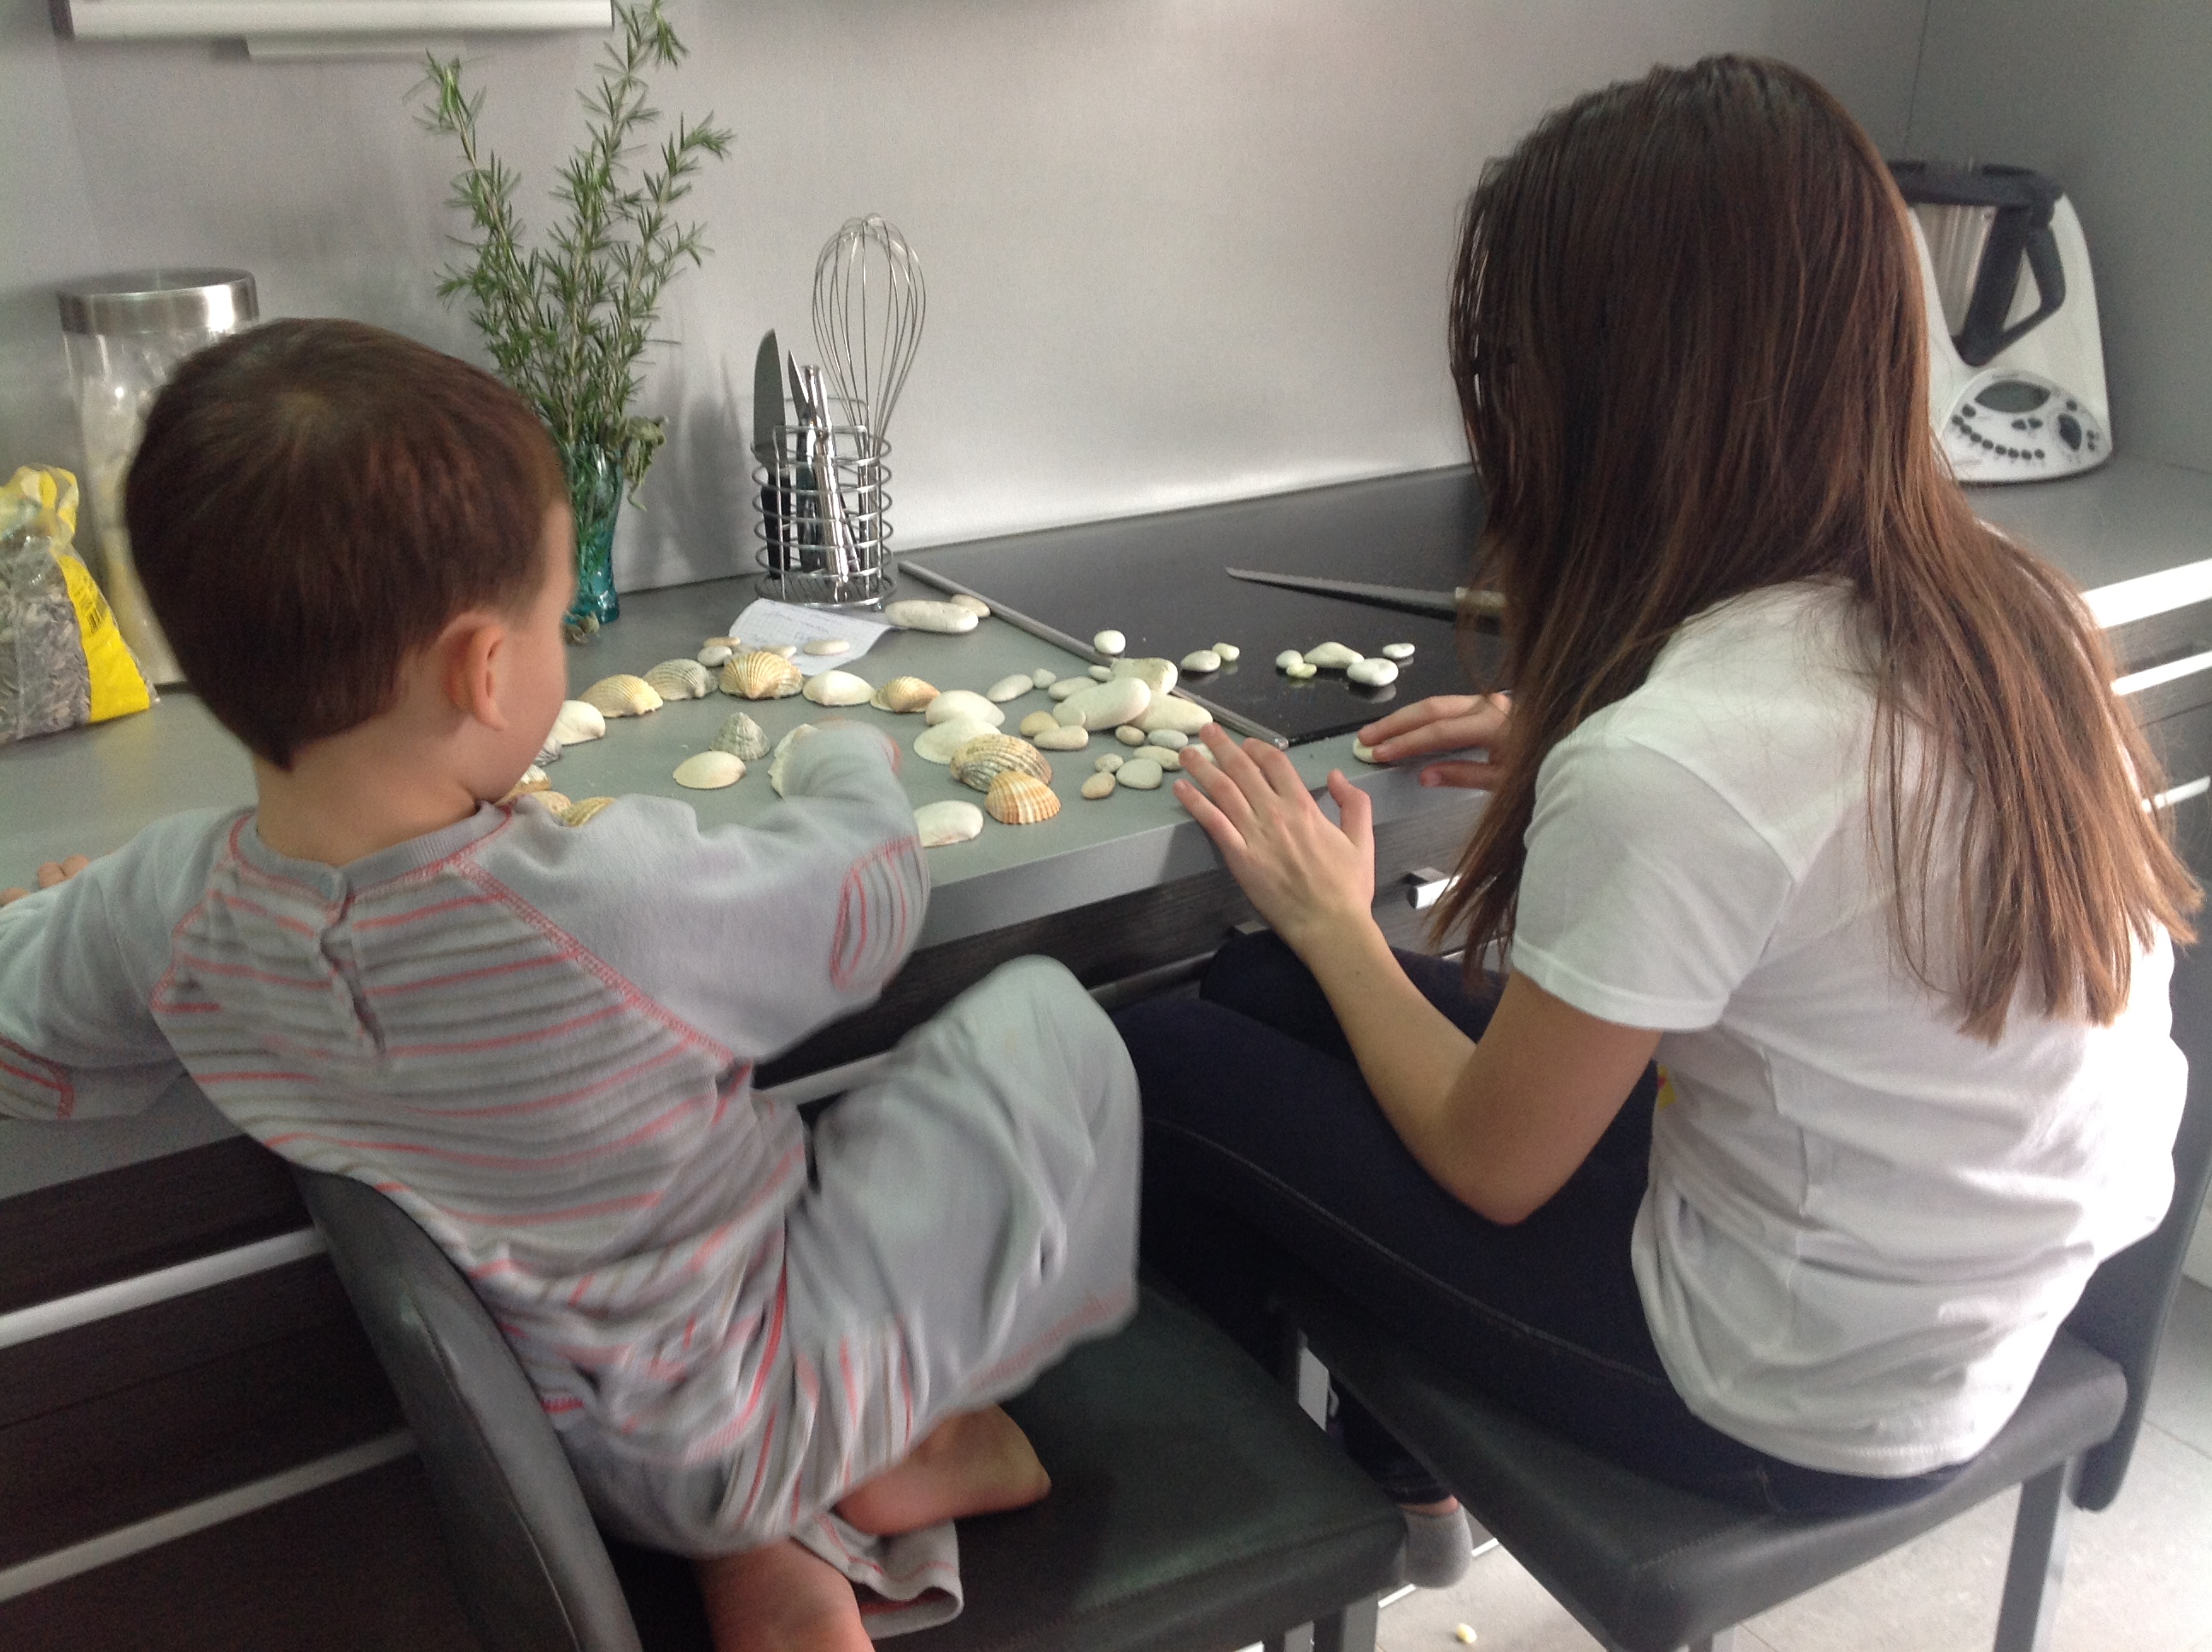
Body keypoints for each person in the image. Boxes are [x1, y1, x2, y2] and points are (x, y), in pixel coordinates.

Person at [1116, 53, 2196, 1579]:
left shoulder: (1682, 764)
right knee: (1257, 989)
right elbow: (1812, 814)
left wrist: (1336, 919)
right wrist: (1579, 740)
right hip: (1956, 1304)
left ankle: (1271, 1550)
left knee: (1168, 1057)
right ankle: (1402, 1465)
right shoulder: (2015, 613)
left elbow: (1496, 1162)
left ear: (1603, 403)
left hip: (1790, 1399)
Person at [0, 319, 1141, 1652]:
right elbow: (868, 898)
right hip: (764, 1383)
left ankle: (761, 1551)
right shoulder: (611, 903)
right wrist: (843, 766)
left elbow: (28, 1032)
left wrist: (54, 908)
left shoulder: (173, 909)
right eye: (553, 620)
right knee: (1045, 1026)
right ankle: (892, 1451)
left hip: (571, 1453)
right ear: (484, 670)